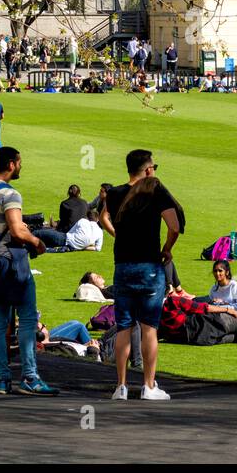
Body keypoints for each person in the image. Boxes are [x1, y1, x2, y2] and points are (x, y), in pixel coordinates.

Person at [99, 149, 182, 401]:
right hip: (148, 265)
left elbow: (102, 217)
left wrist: (118, 235)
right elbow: (174, 225)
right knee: (149, 328)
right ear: (148, 170)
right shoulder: (154, 191)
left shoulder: (114, 193)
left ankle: (121, 386)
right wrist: (167, 248)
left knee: (124, 326)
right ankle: (148, 385)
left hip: (122, 265)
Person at [0, 146, 56, 396]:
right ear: (11, 164)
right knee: (26, 320)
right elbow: (16, 230)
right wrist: (37, 242)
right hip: (13, 263)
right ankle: (30, 377)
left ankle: (2, 379)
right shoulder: (10, 194)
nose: (21, 167)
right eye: (20, 163)